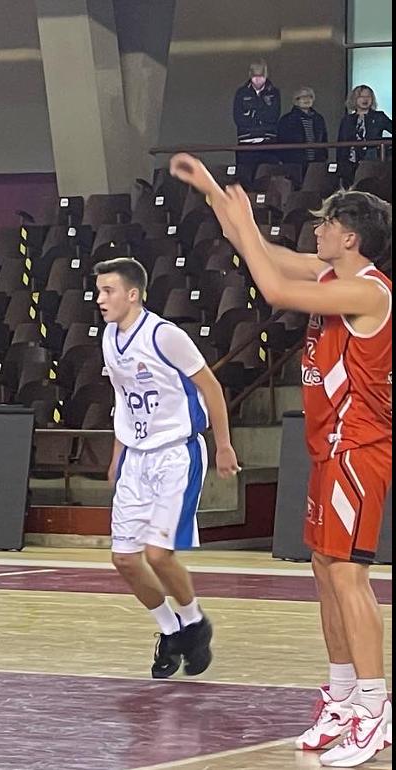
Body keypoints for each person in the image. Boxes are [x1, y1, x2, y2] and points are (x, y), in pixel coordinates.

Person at [172, 154, 392, 767]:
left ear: (350, 237)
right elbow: (262, 254)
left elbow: (272, 287)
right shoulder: (331, 277)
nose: (314, 230)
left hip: (360, 449)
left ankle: (375, 707)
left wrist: (241, 220)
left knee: (349, 576)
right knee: (324, 569)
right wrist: (217, 194)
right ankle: (345, 696)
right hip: (328, 449)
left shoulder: (367, 290)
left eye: (325, 225)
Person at [92, 258, 240, 679]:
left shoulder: (164, 335)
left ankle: (195, 621)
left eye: (108, 291)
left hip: (176, 453)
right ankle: (171, 629)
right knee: (124, 559)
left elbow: (209, 385)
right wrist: (118, 455)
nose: (100, 299)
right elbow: (125, 399)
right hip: (136, 458)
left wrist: (225, 444)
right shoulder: (108, 338)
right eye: (99, 291)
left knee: (158, 554)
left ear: (133, 294)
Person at [232, 60, 281, 176]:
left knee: (268, 177)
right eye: (255, 76)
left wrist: (251, 113)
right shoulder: (241, 93)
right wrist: (260, 114)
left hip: (268, 143)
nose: (258, 79)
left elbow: (274, 116)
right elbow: (238, 118)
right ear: (250, 75)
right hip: (246, 143)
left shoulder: (274, 92)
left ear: (266, 75)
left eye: (261, 76)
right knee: (246, 179)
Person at [336, 85, 393, 181]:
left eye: (368, 97)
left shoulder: (379, 116)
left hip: (371, 161)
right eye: (361, 96)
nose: (365, 99)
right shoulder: (347, 120)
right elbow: (341, 144)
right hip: (350, 163)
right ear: (354, 99)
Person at [276, 87, 329, 167]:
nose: (306, 100)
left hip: (316, 162)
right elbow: (282, 142)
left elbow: (324, 139)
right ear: (296, 101)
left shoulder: (318, 118)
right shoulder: (286, 120)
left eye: (309, 97)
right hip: (295, 163)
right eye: (302, 97)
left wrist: (323, 157)